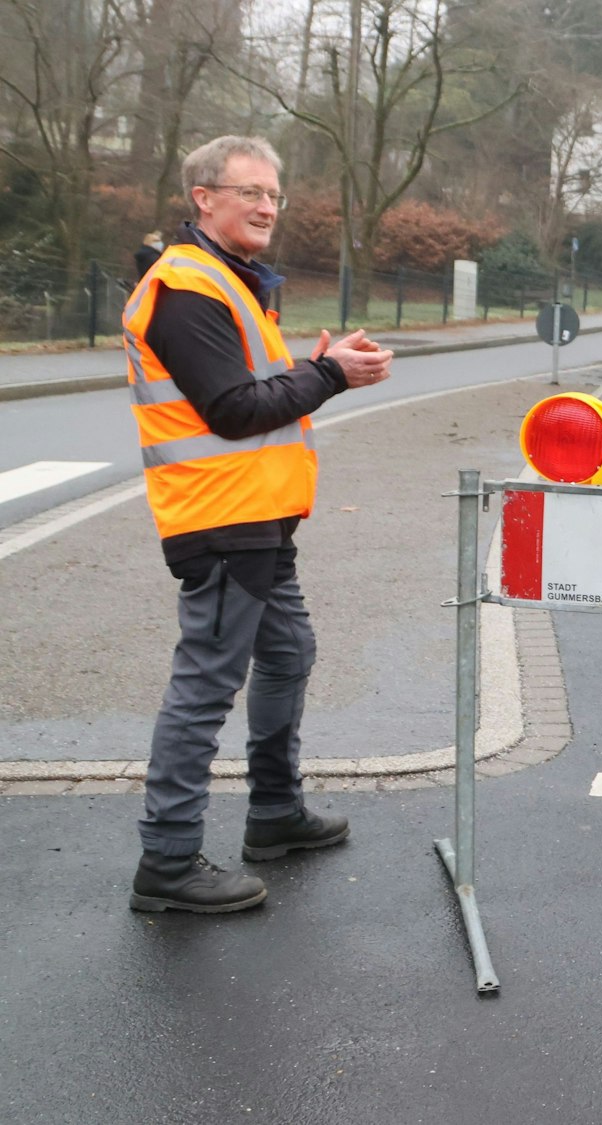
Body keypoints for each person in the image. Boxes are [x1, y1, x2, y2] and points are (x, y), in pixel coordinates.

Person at [124, 135, 394, 914]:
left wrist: (317, 371)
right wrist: (328, 373)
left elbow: (261, 391)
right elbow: (234, 411)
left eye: (274, 193)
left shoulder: (233, 284)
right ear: (203, 198)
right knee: (205, 686)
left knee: (288, 654)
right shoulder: (187, 287)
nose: (268, 205)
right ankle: (168, 860)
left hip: (260, 516)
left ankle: (275, 810)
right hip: (220, 516)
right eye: (250, 192)